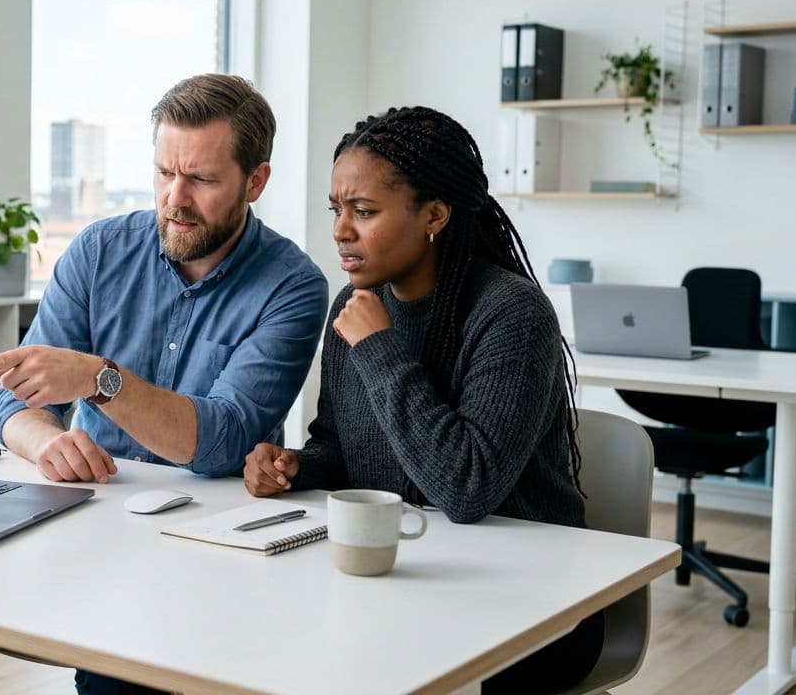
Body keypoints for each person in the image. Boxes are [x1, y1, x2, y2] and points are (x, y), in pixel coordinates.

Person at [0, 73, 328, 695]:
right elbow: (12, 405)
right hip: (84, 515)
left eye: (202, 180)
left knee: (115, 680)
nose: (174, 199)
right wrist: (45, 441)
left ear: (255, 181)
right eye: (164, 173)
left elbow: (222, 441)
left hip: (201, 543)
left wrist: (101, 382)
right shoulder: (100, 250)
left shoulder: (293, 286)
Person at [242, 106, 602, 694]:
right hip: (403, 582)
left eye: (364, 211)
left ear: (434, 214)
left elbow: (466, 489)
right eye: (336, 210)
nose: (340, 230)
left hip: (532, 607)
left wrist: (381, 347)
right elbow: (342, 448)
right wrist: (294, 468)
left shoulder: (510, 315)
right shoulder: (352, 309)